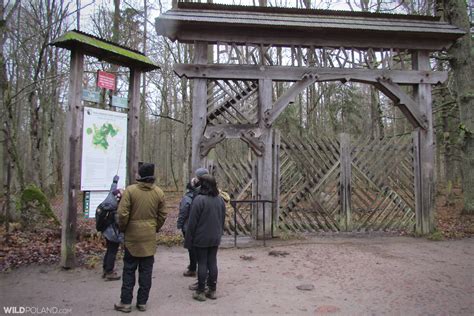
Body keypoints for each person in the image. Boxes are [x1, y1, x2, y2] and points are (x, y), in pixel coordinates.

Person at [114, 163, 167, 313]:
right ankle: (142, 302)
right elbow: (163, 215)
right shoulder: (159, 192)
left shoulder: (130, 191)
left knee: (129, 270)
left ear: (140, 175)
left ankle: (125, 302)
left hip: (132, 237)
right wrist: (154, 227)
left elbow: (122, 214)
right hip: (149, 237)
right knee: (146, 271)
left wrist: (123, 229)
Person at [184, 174, 226, 301]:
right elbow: (222, 219)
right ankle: (212, 290)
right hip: (215, 237)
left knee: (202, 263)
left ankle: (200, 291)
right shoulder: (220, 200)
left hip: (201, 237)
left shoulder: (199, 200)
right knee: (212, 262)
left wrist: (188, 240)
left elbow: (192, 223)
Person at [177, 168, 209, 278]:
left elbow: (184, 210)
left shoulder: (192, 194)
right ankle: (199, 269)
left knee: (192, 248)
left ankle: (193, 269)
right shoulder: (211, 193)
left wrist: (179, 224)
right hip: (204, 226)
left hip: (190, 226)